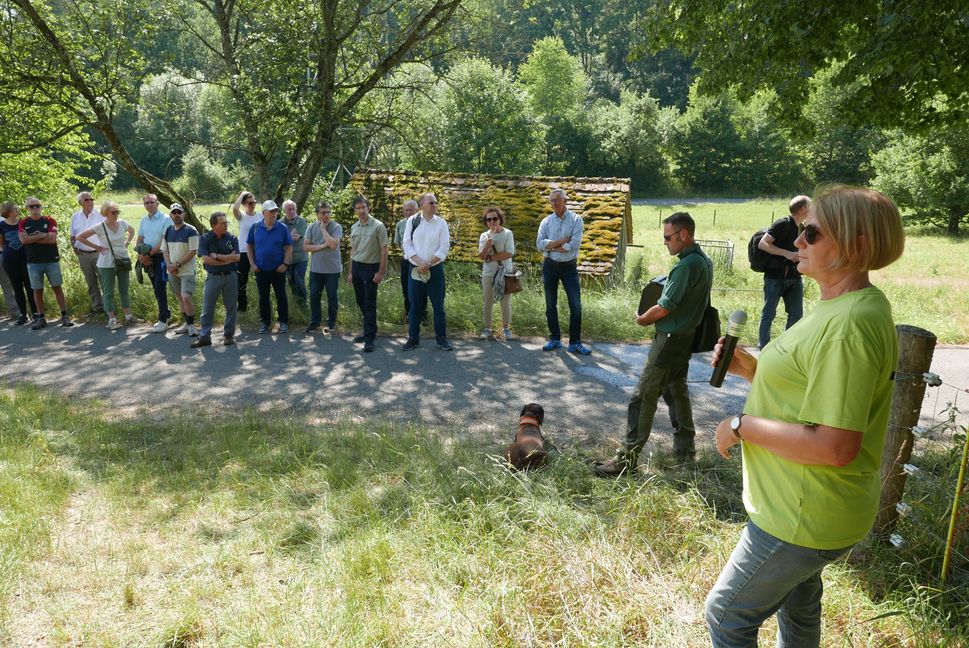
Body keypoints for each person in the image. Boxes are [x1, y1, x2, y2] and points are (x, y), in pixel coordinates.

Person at [704, 186, 906, 648]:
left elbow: (834, 445)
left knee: (726, 615)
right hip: (810, 509)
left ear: (855, 244)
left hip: (801, 515)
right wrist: (753, 370)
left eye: (811, 233)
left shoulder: (849, 324)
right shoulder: (846, 307)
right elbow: (809, 397)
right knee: (798, 607)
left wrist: (739, 426)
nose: (797, 242)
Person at [593, 212, 712, 476]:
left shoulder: (686, 266)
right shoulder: (704, 260)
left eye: (668, 237)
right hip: (684, 340)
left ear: (684, 234)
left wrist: (641, 319)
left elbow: (666, 306)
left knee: (642, 396)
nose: (665, 242)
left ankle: (626, 459)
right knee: (676, 392)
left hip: (669, 341)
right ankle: (685, 451)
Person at [536, 188, 590, 355]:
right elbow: (539, 244)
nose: (554, 203)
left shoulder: (576, 220)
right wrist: (561, 242)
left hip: (569, 268)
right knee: (550, 305)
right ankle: (555, 339)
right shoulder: (546, 221)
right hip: (550, 266)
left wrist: (552, 246)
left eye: (557, 200)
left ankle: (575, 342)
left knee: (576, 305)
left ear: (565, 200)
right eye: (552, 200)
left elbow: (574, 245)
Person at [757, 195, 810, 348]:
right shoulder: (782, 223)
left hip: (794, 278)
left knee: (796, 315)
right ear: (803, 209)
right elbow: (763, 243)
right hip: (775, 278)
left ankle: (786, 347)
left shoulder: (802, 227)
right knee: (768, 315)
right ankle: (764, 348)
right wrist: (786, 253)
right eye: (810, 206)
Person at [402, 192, 452, 352]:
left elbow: (444, 247)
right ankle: (413, 339)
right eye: (431, 202)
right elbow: (406, 244)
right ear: (422, 204)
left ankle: (441, 339)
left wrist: (428, 263)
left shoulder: (441, 223)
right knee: (415, 306)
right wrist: (419, 262)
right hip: (415, 268)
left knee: (438, 306)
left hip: (435, 269)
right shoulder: (412, 220)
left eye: (436, 202)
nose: (435, 205)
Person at [76, 200, 135, 330]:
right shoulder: (100, 226)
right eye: (113, 212)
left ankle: (128, 317)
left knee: (124, 290)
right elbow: (79, 237)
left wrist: (127, 243)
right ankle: (112, 319)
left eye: (117, 212)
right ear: (106, 213)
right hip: (106, 262)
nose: (116, 214)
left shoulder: (123, 223)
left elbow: (132, 231)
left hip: (122, 259)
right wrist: (97, 247)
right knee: (108, 291)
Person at [19, 197, 73, 329]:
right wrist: (43, 235)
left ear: (41, 207)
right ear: (27, 209)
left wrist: (33, 237)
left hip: (51, 260)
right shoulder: (23, 222)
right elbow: (23, 241)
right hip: (33, 262)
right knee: (37, 291)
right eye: (31, 206)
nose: (35, 208)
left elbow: (52, 239)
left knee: (57, 288)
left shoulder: (50, 220)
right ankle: (41, 318)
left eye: (37, 205)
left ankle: (64, 315)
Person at [192, 211, 240, 347]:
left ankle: (229, 335)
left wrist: (217, 256)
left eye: (226, 223)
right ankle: (205, 337)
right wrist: (227, 259)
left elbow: (237, 257)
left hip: (231, 276)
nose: (226, 225)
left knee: (231, 307)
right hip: (213, 278)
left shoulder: (232, 238)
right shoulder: (205, 239)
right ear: (214, 225)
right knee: (208, 308)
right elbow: (207, 260)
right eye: (223, 223)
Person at [346, 195, 388, 353]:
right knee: (360, 301)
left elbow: (384, 250)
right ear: (355, 211)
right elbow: (352, 251)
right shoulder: (354, 227)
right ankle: (369, 329)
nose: (361, 210)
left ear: (368, 208)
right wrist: (350, 272)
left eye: (363, 207)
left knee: (370, 302)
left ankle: (369, 338)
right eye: (358, 208)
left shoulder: (378, 226)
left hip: (371, 268)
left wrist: (381, 272)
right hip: (357, 267)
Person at [247, 199, 293, 334]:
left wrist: (285, 264)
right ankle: (265, 322)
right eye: (271, 211)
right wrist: (252, 264)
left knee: (281, 296)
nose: (274, 214)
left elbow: (289, 247)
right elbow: (249, 246)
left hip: (278, 269)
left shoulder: (282, 228)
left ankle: (283, 322)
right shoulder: (255, 228)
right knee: (264, 297)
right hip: (260, 269)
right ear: (263, 213)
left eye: (276, 211)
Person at [304, 201, 343, 333]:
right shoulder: (310, 227)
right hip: (316, 269)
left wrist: (323, 229)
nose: (326, 215)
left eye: (328, 212)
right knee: (314, 295)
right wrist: (321, 246)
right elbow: (306, 247)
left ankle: (331, 323)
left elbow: (332, 245)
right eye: (323, 212)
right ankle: (315, 322)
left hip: (332, 270)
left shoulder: (336, 227)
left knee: (332, 296)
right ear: (317, 214)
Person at [161, 203, 200, 336]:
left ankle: (192, 326)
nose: (176, 215)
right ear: (171, 215)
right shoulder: (168, 230)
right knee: (180, 298)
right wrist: (169, 265)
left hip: (186, 271)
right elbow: (164, 250)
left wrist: (176, 265)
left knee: (186, 297)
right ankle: (187, 324)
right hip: (172, 271)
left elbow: (193, 251)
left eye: (179, 212)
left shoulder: (191, 230)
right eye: (174, 213)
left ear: (183, 214)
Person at [136, 194, 173, 333]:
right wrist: (141, 255)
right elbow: (139, 239)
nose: (149, 205)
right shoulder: (144, 220)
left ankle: (163, 320)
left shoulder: (166, 219)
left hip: (162, 257)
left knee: (159, 287)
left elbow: (164, 241)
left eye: (152, 202)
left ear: (157, 204)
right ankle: (166, 314)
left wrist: (148, 255)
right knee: (156, 288)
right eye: (146, 203)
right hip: (148, 259)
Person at [477, 206, 515, 341]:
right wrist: (487, 246)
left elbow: (509, 253)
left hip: (505, 272)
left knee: (506, 302)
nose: (492, 222)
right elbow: (481, 257)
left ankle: (506, 329)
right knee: (488, 301)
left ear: (500, 219)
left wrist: (492, 258)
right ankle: (487, 328)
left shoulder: (507, 233)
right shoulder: (484, 236)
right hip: (488, 273)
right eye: (489, 219)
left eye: (495, 218)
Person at [0, 201, 37, 325]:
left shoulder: (23, 223)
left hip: (25, 259)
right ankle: (23, 314)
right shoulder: (1, 225)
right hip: (10, 261)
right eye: (15, 208)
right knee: (17, 287)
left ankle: (35, 313)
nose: (18, 210)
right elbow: (1, 243)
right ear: (9, 212)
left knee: (30, 286)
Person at [69, 191, 104, 317]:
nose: (90, 202)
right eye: (87, 200)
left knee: (104, 280)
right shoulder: (75, 217)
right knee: (91, 282)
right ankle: (97, 308)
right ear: (80, 203)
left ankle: (108, 309)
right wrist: (74, 248)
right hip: (83, 255)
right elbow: (72, 236)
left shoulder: (101, 215)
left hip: (99, 253)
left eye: (91, 199)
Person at [232, 191, 262, 312]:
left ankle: (263, 306)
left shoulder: (260, 216)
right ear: (244, 203)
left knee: (260, 278)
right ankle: (242, 307)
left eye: (254, 202)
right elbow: (234, 208)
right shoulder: (241, 216)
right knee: (241, 280)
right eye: (249, 202)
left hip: (258, 251)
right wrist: (242, 194)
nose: (252, 204)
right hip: (243, 252)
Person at [394, 199, 420, 323]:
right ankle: (408, 315)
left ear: (417, 210)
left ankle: (423, 316)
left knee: (421, 288)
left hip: (420, 261)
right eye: (406, 210)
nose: (408, 212)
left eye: (411, 210)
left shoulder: (422, 223)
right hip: (406, 261)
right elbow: (398, 243)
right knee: (406, 289)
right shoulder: (400, 224)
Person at [281, 199, 308, 306]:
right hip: (287, 259)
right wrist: (289, 235)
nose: (291, 211)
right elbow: (278, 240)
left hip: (300, 258)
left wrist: (284, 237)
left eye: (293, 209)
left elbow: (295, 238)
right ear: (284, 210)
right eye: (289, 209)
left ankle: (303, 306)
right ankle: (296, 305)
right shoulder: (280, 223)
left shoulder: (301, 221)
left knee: (299, 281)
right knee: (291, 283)